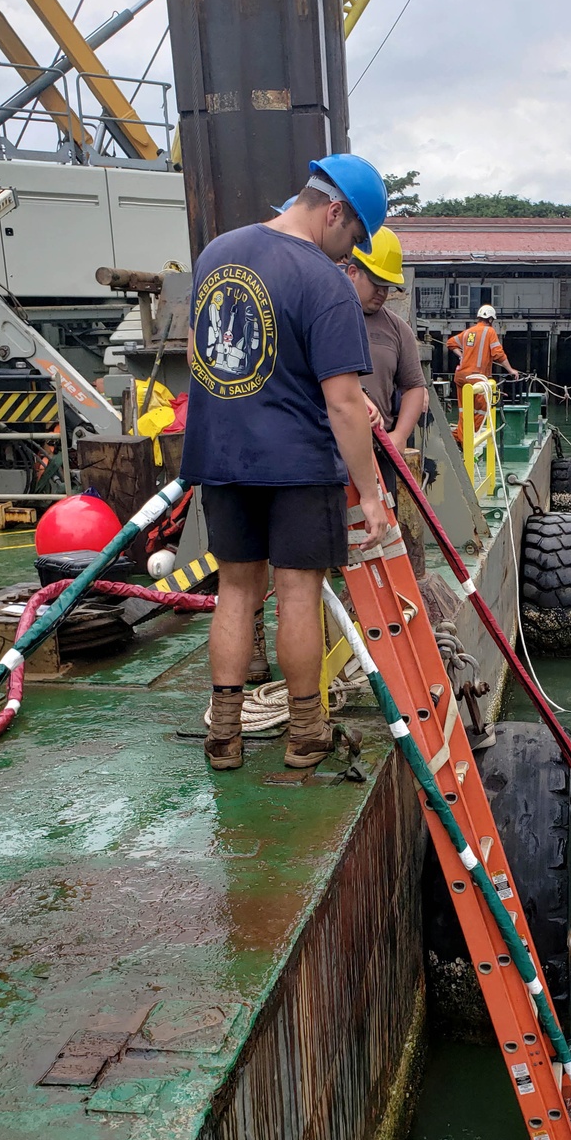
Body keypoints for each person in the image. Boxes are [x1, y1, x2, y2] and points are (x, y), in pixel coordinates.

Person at [181, 151, 390, 772]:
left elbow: (200, 353)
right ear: (334, 212)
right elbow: (344, 403)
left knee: (235, 592)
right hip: (298, 464)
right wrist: (371, 493)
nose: (350, 254)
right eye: (353, 237)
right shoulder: (325, 281)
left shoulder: (217, 253)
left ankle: (224, 735)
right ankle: (304, 734)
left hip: (223, 457)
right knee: (298, 594)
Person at [344, 226, 428, 458]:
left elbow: (413, 386)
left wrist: (399, 435)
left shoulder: (398, 329)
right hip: (329, 448)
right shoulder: (325, 318)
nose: (382, 292)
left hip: (379, 449)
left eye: (387, 285)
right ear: (353, 272)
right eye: (376, 282)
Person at [446, 305, 519, 441]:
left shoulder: (468, 332)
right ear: (490, 319)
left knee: (464, 410)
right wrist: (510, 370)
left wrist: (461, 356)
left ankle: (458, 437)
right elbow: (498, 354)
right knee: (482, 409)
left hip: (461, 376)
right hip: (477, 377)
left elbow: (450, 343)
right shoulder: (489, 332)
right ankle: (466, 439)